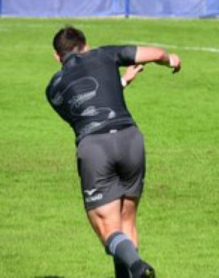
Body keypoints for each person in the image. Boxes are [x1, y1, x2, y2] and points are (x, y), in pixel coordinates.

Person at [45, 26, 182, 278]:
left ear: (57, 56)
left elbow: (84, 111)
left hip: (95, 147)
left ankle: (138, 267)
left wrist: (119, 83)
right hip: (130, 139)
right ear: (86, 45)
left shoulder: (53, 88)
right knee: (127, 223)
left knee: (110, 231)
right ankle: (134, 269)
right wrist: (170, 59)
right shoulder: (105, 55)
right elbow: (155, 53)